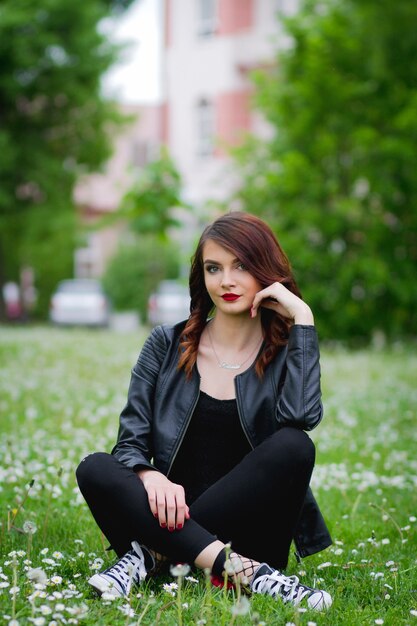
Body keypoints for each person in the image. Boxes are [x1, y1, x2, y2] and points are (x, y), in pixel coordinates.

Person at [76, 212, 333, 611]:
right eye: (214, 268)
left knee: (295, 445)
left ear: (267, 272)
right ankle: (241, 572)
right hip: (167, 516)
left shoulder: (286, 350)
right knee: (95, 467)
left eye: (242, 266)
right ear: (202, 277)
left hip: (249, 536)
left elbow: (301, 419)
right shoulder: (166, 343)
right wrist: (149, 474)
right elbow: (129, 444)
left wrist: (303, 319)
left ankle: (152, 556)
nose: (226, 281)